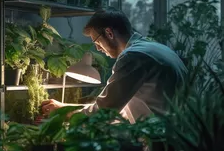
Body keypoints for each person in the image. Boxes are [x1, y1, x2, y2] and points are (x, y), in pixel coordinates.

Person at [41, 9, 187, 123]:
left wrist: (64, 112)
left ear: (109, 33)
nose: (98, 49)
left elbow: (105, 112)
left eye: (97, 42)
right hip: (180, 138)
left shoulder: (133, 57)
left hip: (164, 143)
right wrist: (65, 108)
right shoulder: (154, 49)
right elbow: (119, 111)